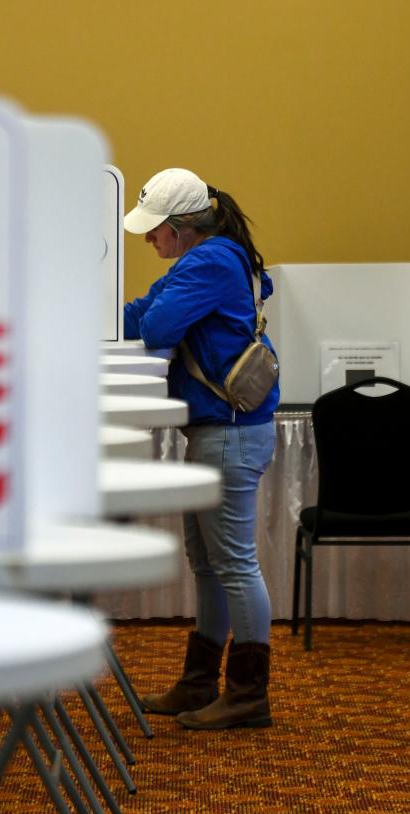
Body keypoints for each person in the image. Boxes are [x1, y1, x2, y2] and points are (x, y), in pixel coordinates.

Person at [122, 168, 279, 730]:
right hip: (223, 429)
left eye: (155, 231)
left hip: (229, 433)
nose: (148, 240)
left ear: (183, 227)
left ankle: (247, 695)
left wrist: (154, 307)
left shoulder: (209, 262)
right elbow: (139, 313)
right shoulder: (211, 259)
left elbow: (156, 323)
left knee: (232, 563)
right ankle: (198, 683)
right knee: (208, 563)